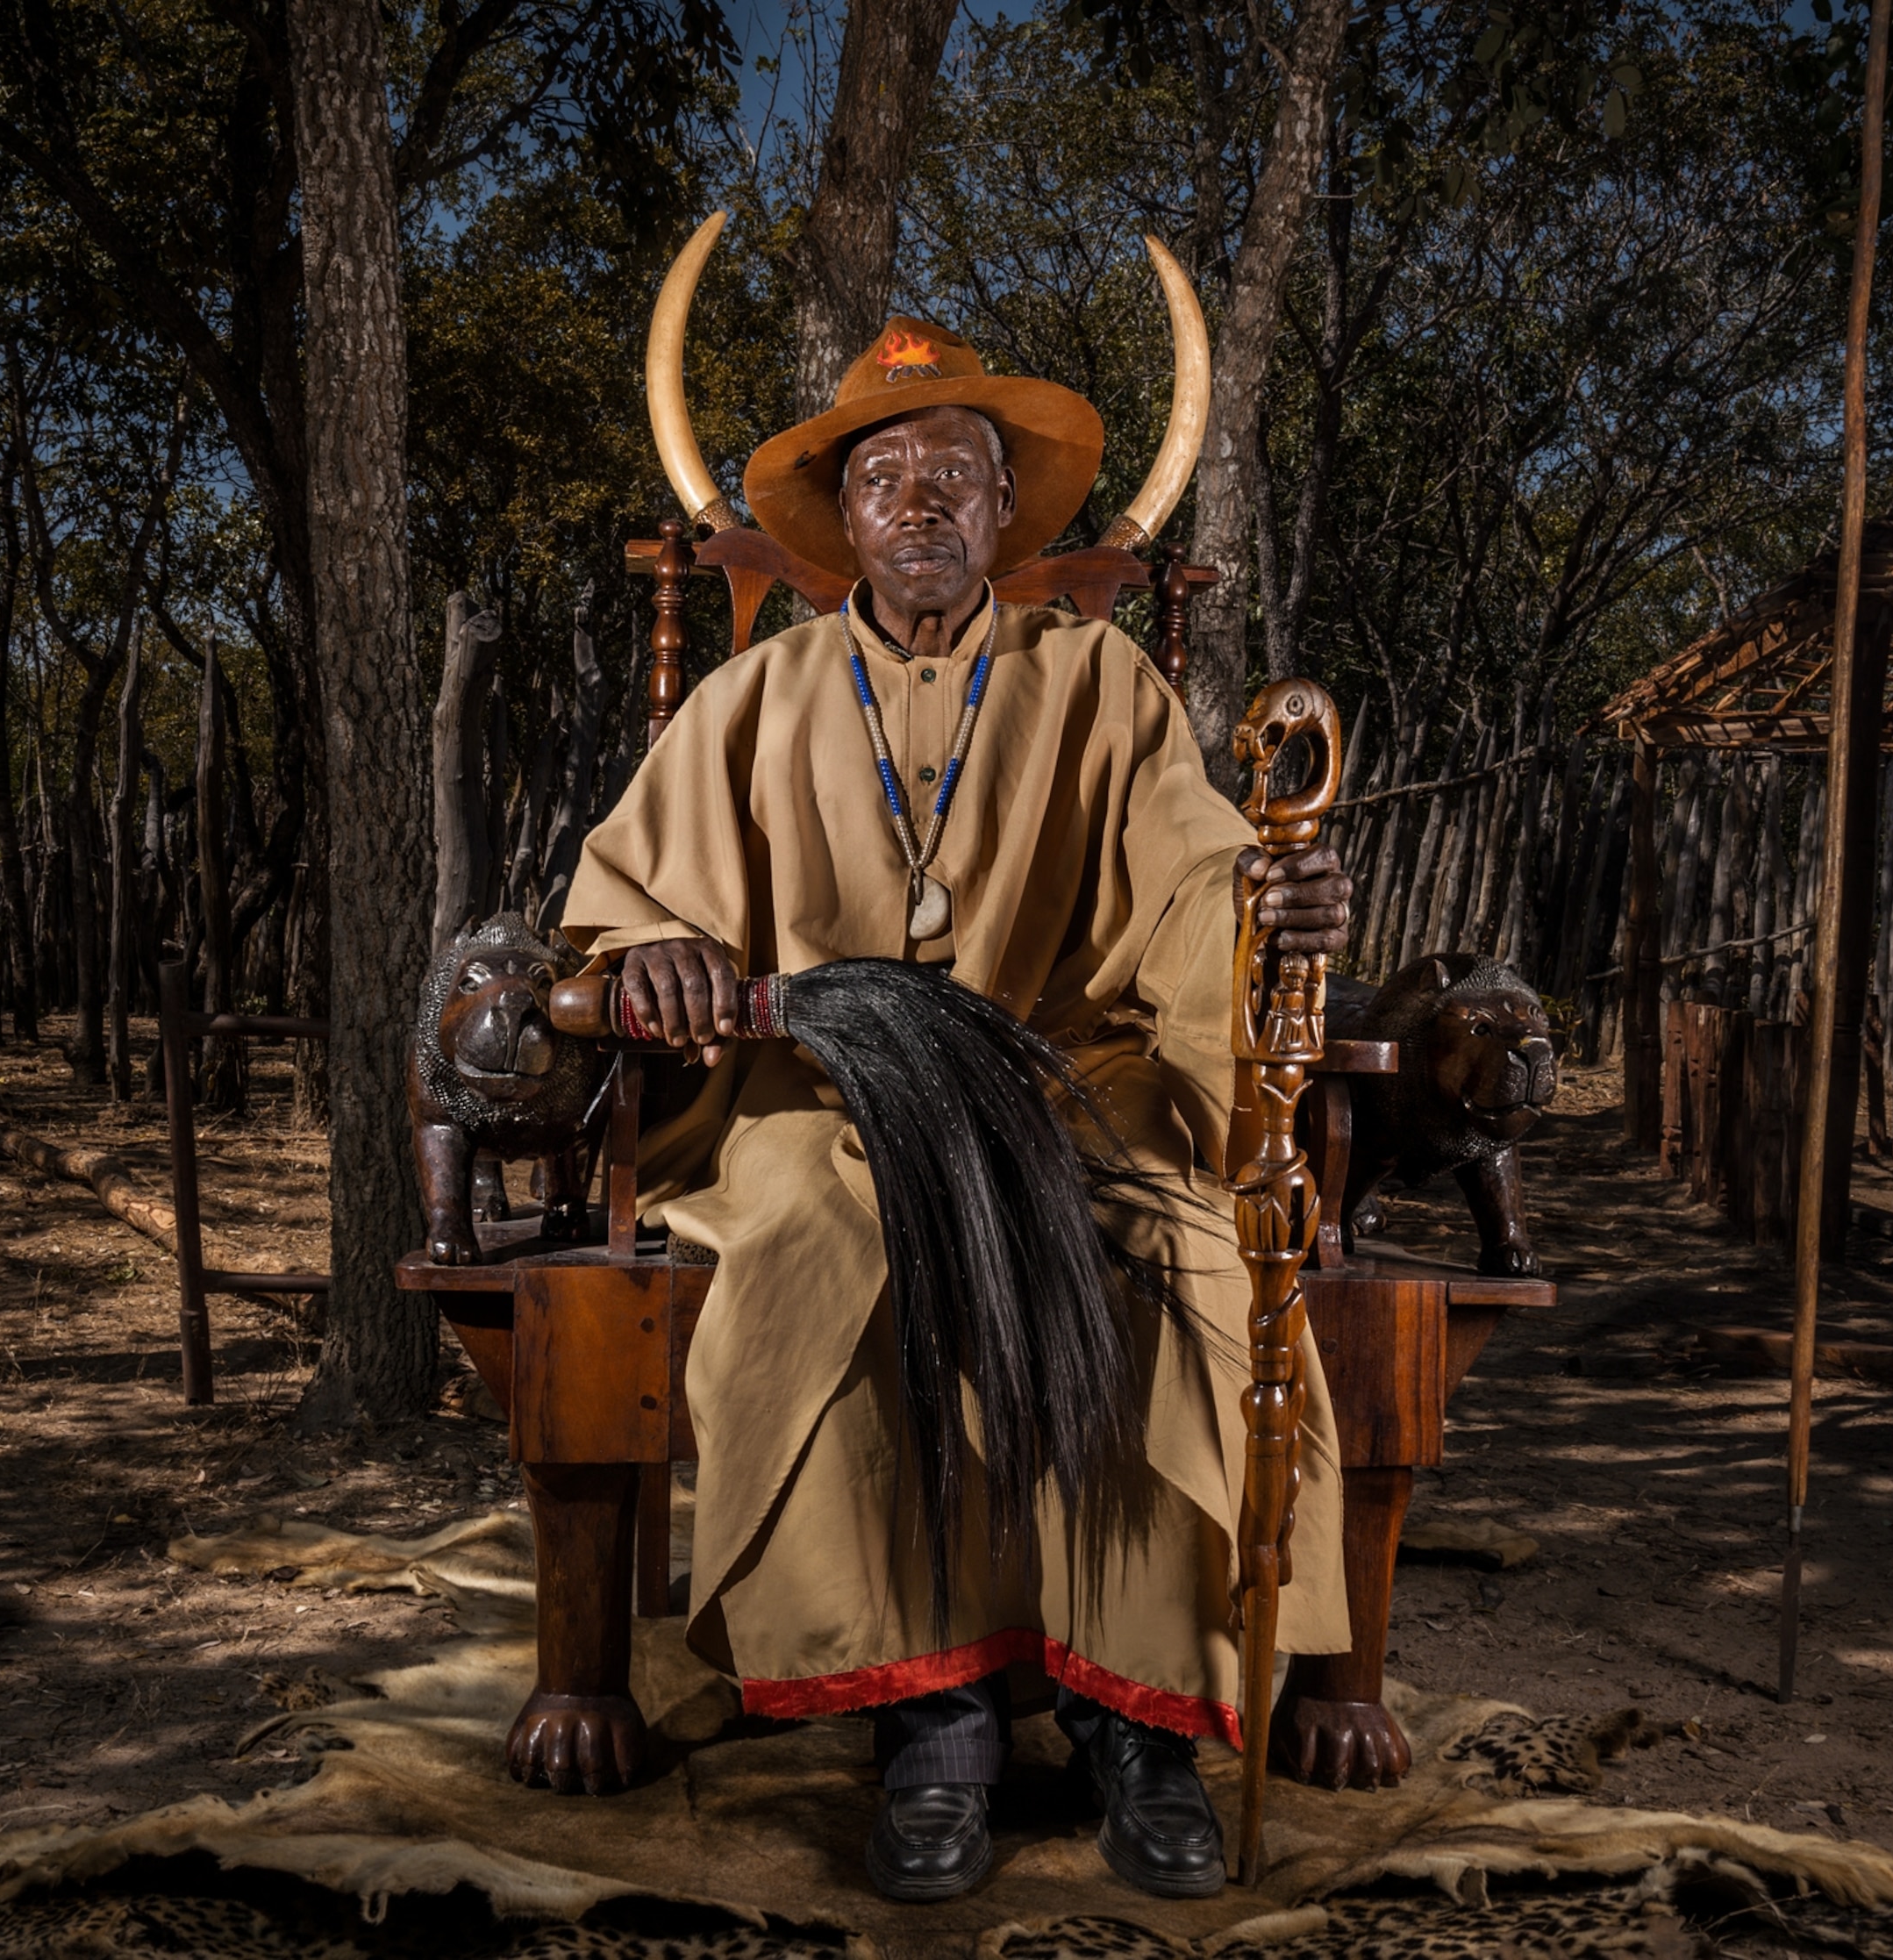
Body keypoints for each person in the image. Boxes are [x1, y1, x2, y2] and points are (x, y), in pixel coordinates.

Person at [561, 320, 1353, 1904]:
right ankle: (929, 1722)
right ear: (841, 522)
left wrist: (1266, 905)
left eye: (956, 477)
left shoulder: (1102, 677)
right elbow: (622, 910)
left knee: (1179, 1250)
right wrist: (649, 950)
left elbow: (1195, 881)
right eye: (886, 477)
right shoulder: (757, 694)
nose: (921, 502)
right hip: (827, 1091)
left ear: (1006, 515)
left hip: (1073, 1084)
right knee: (825, 1242)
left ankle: (1140, 1724)